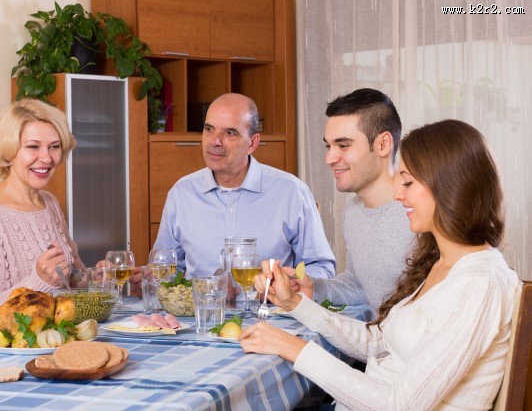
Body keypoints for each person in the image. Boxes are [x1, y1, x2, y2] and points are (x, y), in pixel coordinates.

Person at [241, 119, 519, 410]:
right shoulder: (444, 264)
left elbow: (400, 405)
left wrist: (294, 348)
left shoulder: (478, 284)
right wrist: (296, 303)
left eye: (408, 182)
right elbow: (376, 342)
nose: (399, 194)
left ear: (450, 187)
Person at [151, 93, 335, 293]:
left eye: (230, 133)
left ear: (253, 143)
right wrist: (150, 281)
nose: (215, 141)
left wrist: (287, 282)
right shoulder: (181, 194)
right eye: (208, 129)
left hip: (271, 317)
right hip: (201, 319)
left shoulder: (291, 192)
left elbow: (322, 268)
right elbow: (169, 270)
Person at [268, 88, 414, 314]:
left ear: (383, 145)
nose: (330, 158)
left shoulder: (420, 210)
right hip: (379, 344)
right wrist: (313, 287)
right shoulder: (353, 210)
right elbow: (361, 284)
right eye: (329, 146)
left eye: (343, 145)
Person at [0, 99, 86, 305]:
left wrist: (101, 276)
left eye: (54, 146)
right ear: (8, 152)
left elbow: (74, 279)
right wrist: (39, 282)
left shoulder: (50, 203)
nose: (46, 158)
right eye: (33, 146)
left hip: (60, 333)